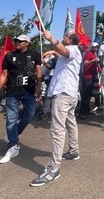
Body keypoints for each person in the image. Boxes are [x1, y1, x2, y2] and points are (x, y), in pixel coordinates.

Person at [30, 31, 82, 187]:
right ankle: (73, 150)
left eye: (66, 35)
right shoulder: (72, 53)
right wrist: (53, 51)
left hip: (63, 94)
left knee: (57, 130)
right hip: (69, 94)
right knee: (70, 122)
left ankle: (53, 169)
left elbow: (65, 51)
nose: (64, 36)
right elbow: (63, 55)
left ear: (70, 40)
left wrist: (52, 39)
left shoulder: (72, 49)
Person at [0, 35, 42, 164]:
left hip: (29, 91)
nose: (17, 43)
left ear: (27, 43)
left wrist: (39, 87)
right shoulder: (9, 56)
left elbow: (38, 72)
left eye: (20, 41)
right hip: (12, 93)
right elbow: (4, 74)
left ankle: (13, 134)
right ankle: (12, 146)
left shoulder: (35, 54)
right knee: (11, 120)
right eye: (16, 41)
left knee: (30, 114)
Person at [79, 42, 100, 119]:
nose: (96, 48)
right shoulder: (88, 54)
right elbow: (85, 63)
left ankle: (87, 109)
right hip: (87, 77)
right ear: (91, 47)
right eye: (94, 47)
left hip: (92, 76)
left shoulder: (94, 54)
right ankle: (81, 112)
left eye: (97, 47)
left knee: (89, 95)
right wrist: (93, 60)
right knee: (85, 95)